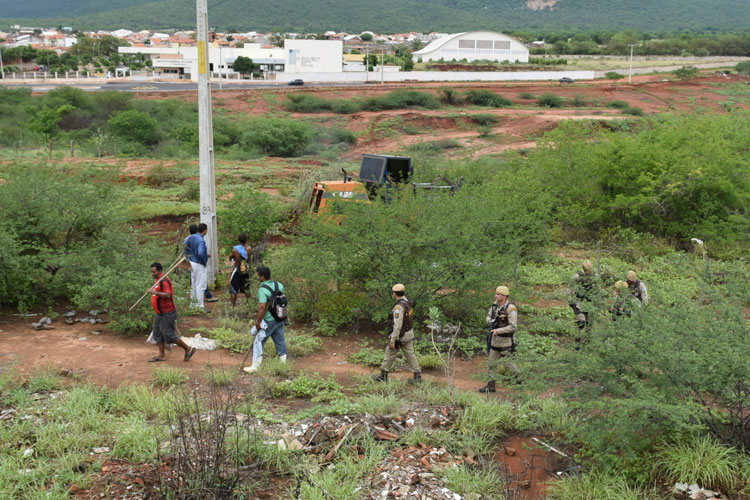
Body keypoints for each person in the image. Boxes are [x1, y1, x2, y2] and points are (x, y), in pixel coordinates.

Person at [147, 262, 196, 363]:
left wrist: (154, 292)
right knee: (157, 333)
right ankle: (161, 355)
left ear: (160, 271)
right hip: (159, 312)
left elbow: (168, 295)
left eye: (154, 272)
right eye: (151, 272)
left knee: (168, 334)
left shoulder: (164, 281)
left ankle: (188, 349)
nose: (152, 274)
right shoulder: (158, 279)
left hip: (167, 313)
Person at [373, 284, 422, 384]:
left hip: (400, 336)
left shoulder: (399, 307)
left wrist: (393, 340)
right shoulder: (407, 302)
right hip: (409, 333)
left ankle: (383, 376)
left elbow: (397, 325)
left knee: (389, 353)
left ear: (395, 294)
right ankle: (418, 377)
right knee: (411, 355)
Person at [244, 266, 287, 373]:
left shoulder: (263, 289)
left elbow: (263, 307)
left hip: (269, 320)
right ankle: (283, 364)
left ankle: (255, 366)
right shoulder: (279, 285)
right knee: (280, 340)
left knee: (258, 341)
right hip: (280, 317)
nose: (257, 277)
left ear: (262, 276)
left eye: (258, 275)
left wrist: (258, 322)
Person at [479, 285, 519, 393]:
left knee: (507, 364)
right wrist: (490, 321)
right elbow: (488, 316)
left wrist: (499, 331)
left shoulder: (511, 309)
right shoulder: (494, 306)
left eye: (498, 294)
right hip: (494, 340)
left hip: (505, 341)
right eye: (496, 293)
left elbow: (513, 326)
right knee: (491, 363)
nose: (496, 296)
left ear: (504, 296)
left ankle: (519, 379)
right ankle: (491, 386)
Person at [568, 260, 596, 348]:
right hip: (580, 302)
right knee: (581, 322)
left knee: (589, 323)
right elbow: (570, 287)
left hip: (590, 302)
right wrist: (571, 299)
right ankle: (577, 343)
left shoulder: (595, 276)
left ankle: (588, 342)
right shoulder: (577, 276)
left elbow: (597, 289)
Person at [184, 223, 211, 311]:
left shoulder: (191, 237)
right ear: (205, 231)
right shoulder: (201, 240)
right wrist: (204, 260)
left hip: (191, 262)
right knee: (200, 285)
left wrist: (188, 257)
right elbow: (200, 252)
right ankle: (200, 306)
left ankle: (193, 305)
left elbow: (185, 246)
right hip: (198, 263)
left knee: (194, 284)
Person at [229, 234, 251, 307]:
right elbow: (248, 259)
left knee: (233, 289)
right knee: (247, 289)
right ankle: (249, 305)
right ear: (246, 240)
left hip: (237, 270)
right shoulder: (249, 249)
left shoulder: (235, 249)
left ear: (239, 240)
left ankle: (233, 306)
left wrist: (232, 256)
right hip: (246, 270)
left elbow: (234, 259)